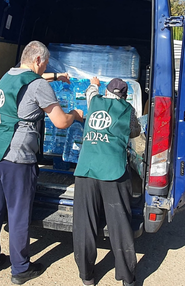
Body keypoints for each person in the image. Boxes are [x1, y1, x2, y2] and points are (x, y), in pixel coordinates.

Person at [0, 40, 83, 285]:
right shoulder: (37, 85)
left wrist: (56, 76)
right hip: (15, 156)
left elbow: (33, 79)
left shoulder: (9, 75)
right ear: (37, 60)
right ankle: (21, 268)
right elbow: (61, 122)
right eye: (44, 64)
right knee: (18, 212)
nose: (44, 68)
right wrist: (76, 115)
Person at [73, 77, 141, 286]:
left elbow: (90, 91)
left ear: (107, 91)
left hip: (86, 170)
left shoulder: (94, 102)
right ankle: (126, 277)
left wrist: (94, 82)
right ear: (124, 95)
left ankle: (87, 276)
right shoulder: (128, 110)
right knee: (119, 224)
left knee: (84, 224)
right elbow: (135, 132)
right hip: (113, 172)